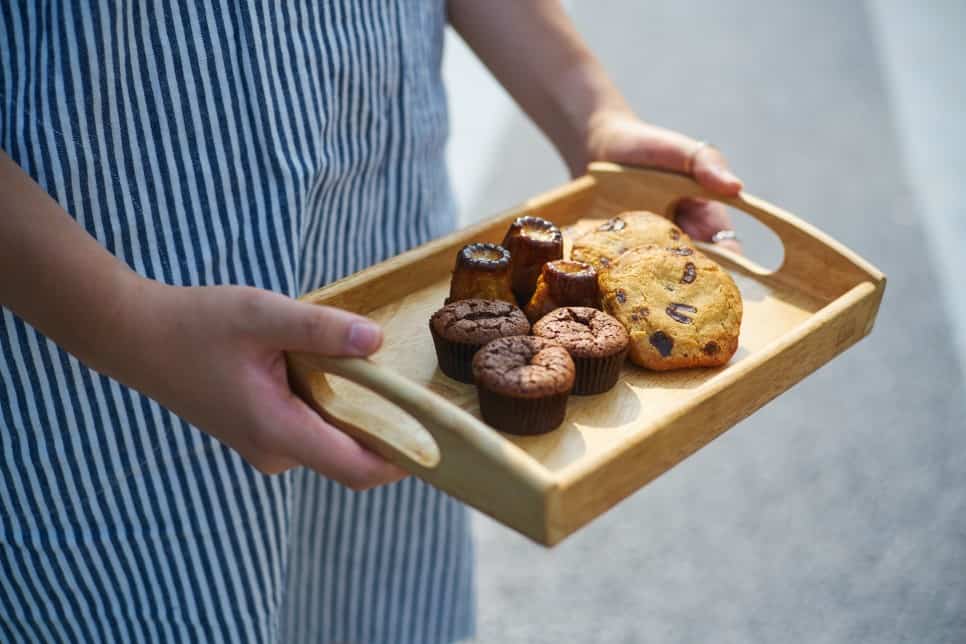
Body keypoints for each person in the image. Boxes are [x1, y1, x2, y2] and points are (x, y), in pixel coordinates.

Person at [0, 1, 742, 642]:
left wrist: (592, 113)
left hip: (385, 275)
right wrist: (126, 321)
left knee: (361, 597)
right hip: (94, 321)